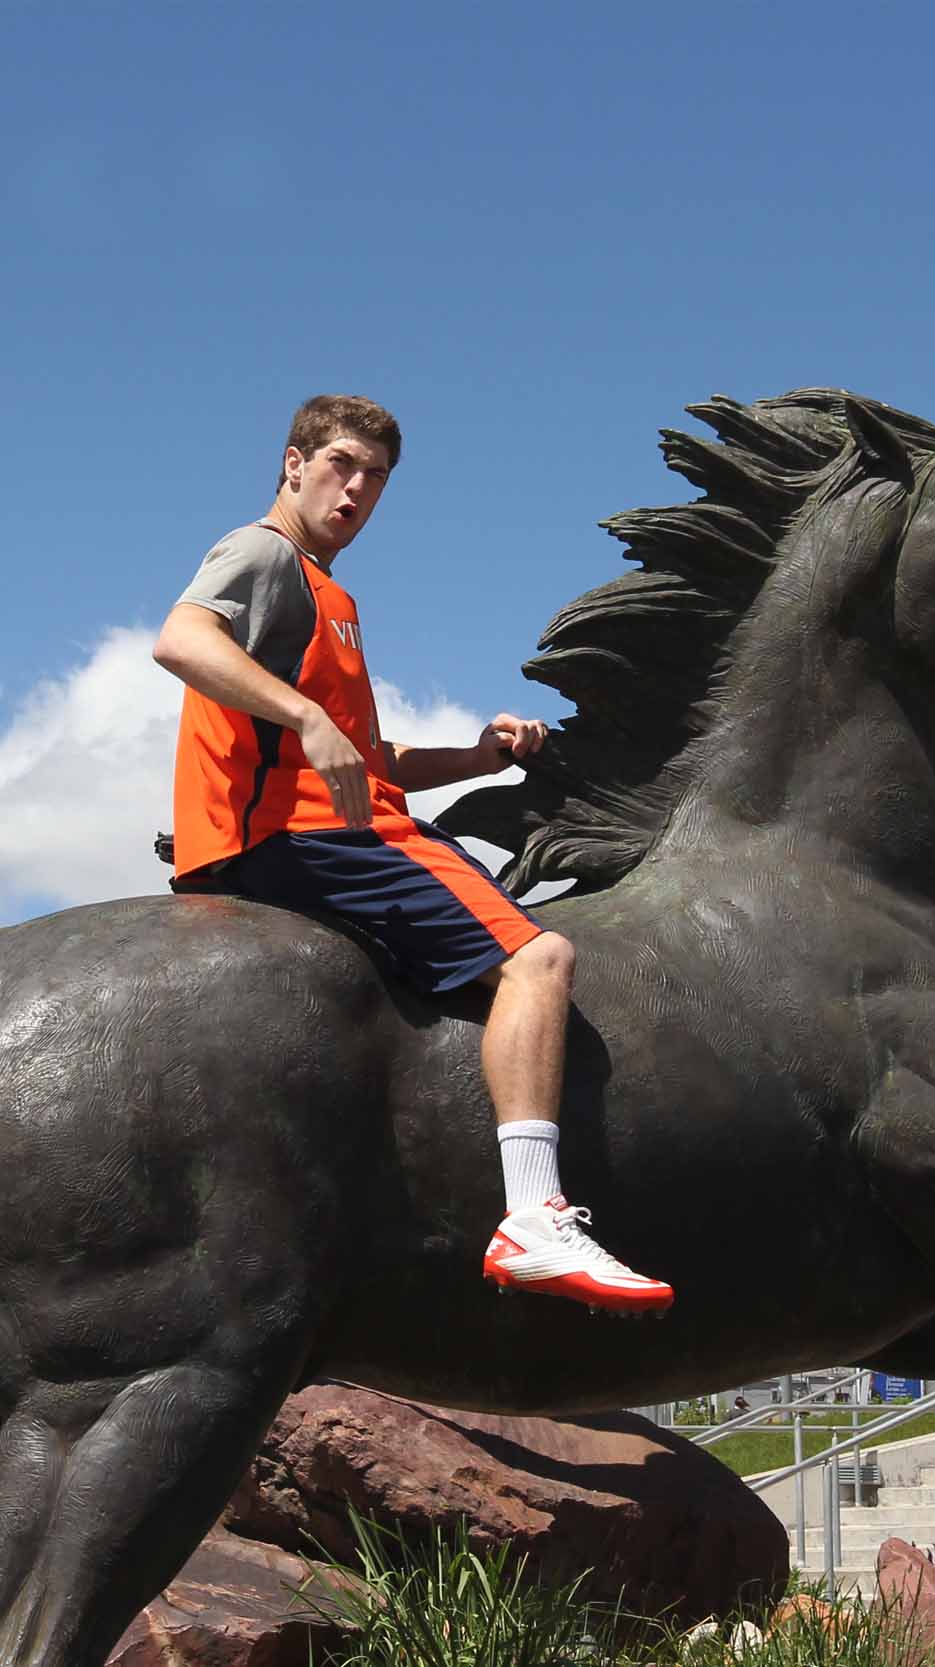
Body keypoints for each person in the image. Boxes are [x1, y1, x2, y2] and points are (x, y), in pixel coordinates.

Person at [151, 394, 671, 1314]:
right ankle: (533, 1218)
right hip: (302, 836)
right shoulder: (263, 553)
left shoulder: (328, 596)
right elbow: (182, 638)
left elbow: (368, 760)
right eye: (341, 464)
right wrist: (307, 716)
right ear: (293, 463)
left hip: (307, 826)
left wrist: (474, 757)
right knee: (540, 958)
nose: (357, 488)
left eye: (377, 476)